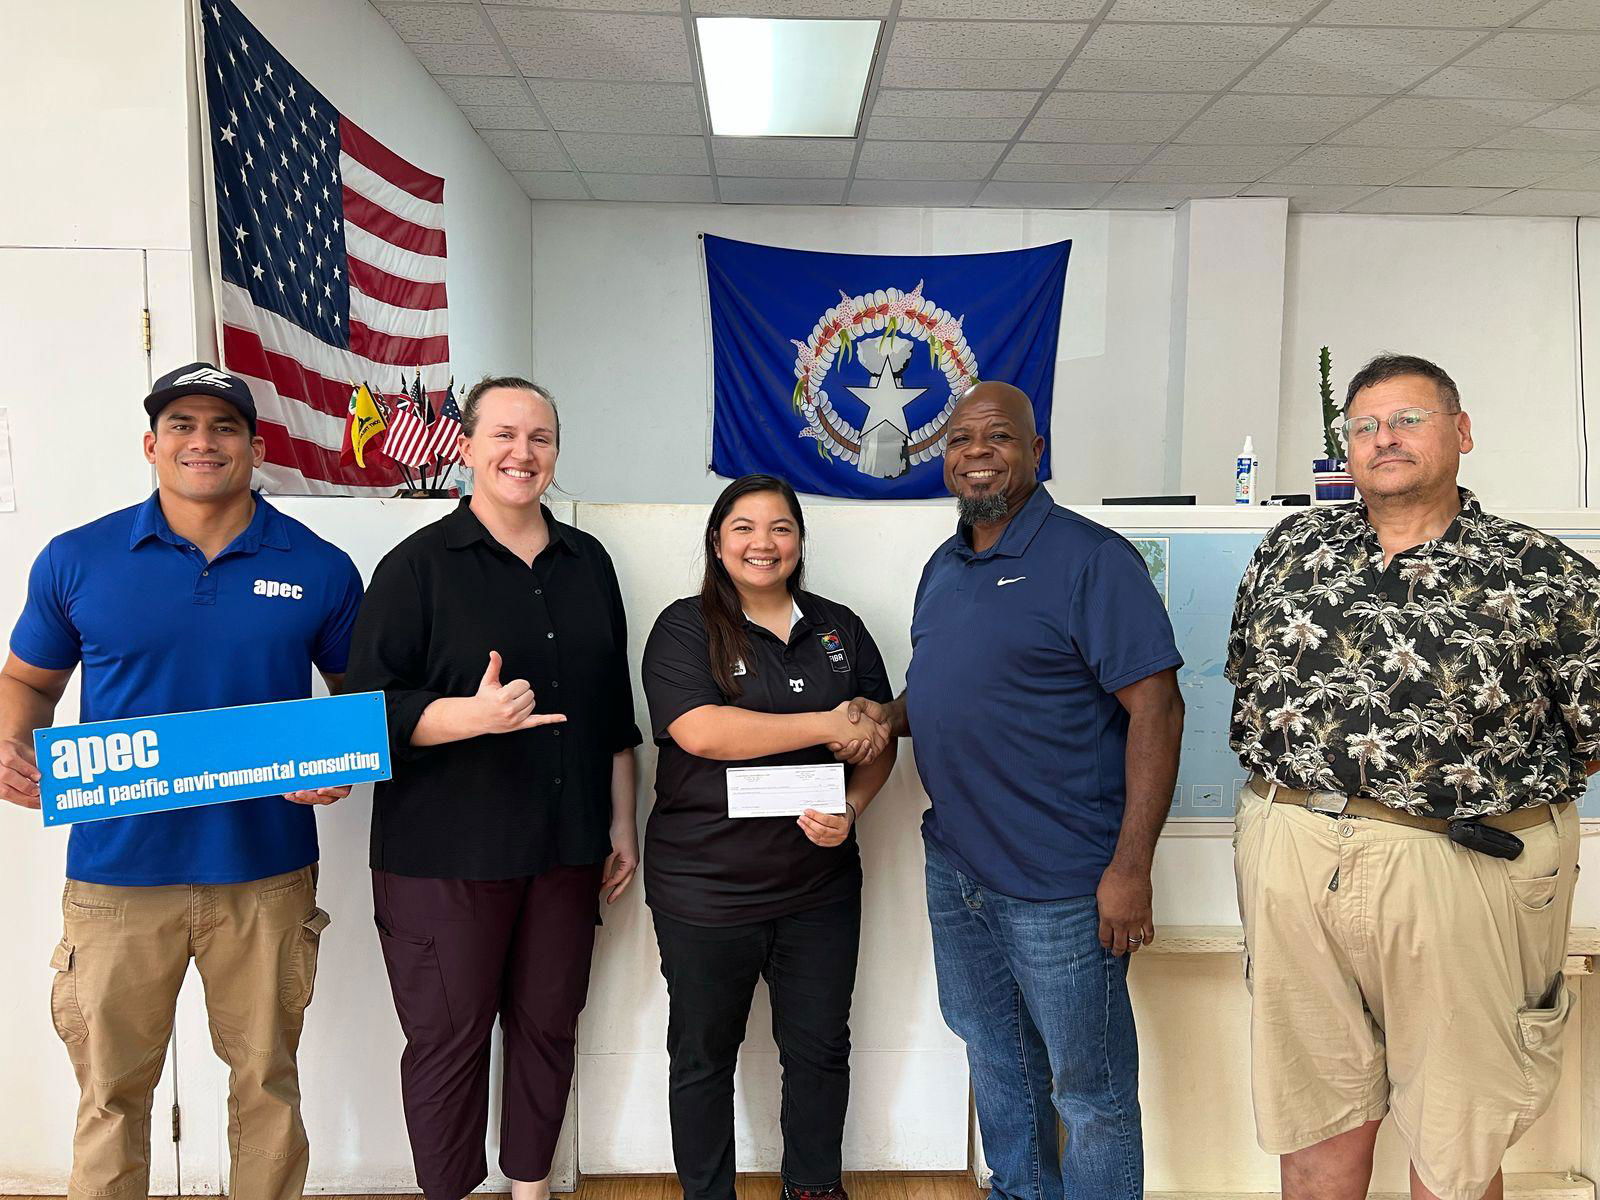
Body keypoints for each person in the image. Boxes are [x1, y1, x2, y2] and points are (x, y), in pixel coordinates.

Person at [1226, 353, 1597, 1200]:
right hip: (1292, 845)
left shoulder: (1543, 573)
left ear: (1461, 433)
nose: (1383, 438)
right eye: (1364, 426)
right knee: (1313, 1113)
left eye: (1407, 419)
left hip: (1462, 862)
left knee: (1454, 1141)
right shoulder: (1291, 551)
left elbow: (1592, 728)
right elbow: (1251, 679)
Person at [0, 362, 363, 1200]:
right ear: (151, 445)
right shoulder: (78, 559)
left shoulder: (320, 566)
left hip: (265, 874)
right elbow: (26, 682)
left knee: (266, 1086)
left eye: (224, 427)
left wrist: (336, 763)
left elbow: (357, 703)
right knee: (111, 1095)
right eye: (183, 426)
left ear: (255, 447)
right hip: (116, 874)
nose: (204, 442)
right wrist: (14, 743)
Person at [842, 381, 1184, 1200]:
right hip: (960, 872)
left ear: (1037, 451)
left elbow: (1159, 710)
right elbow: (948, 689)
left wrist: (1130, 868)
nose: (976, 452)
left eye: (997, 437)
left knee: (1089, 1092)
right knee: (995, 1056)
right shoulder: (945, 564)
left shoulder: (1091, 560)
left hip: (1065, 886)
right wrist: (885, 716)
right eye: (960, 440)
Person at [345, 377, 640, 1200]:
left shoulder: (590, 563)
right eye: (504, 435)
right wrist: (465, 717)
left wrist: (622, 822)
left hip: (565, 847)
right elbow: (364, 712)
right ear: (466, 447)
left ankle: (531, 1188)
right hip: (443, 856)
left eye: (540, 438)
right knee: (448, 1041)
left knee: (548, 1029)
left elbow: (612, 710)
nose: (522, 452)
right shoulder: (414, 569)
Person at [640, 473, 896, 1200]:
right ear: (718, 544)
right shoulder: (684, 627)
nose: (764, 543)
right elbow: (701, 730)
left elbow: (879, 738)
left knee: (819, 1050)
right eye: (744, 528)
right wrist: (825, 725)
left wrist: (851, 806)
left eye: (780, 527)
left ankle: (813, 1187)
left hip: (818, 889)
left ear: (800, 541)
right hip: (705, 890)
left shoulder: (839, 625)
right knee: (702, 1057)